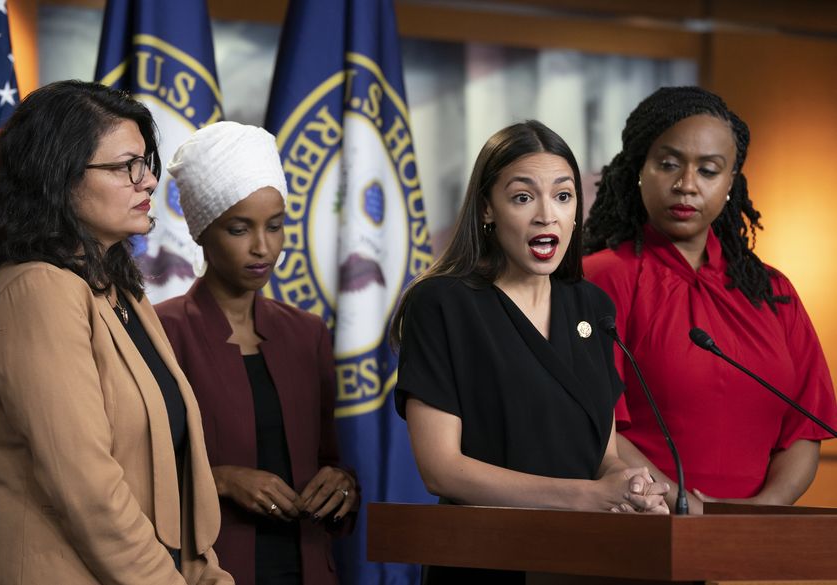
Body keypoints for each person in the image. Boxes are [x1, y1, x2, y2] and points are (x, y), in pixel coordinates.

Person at [0, 80, 232, 584]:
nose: (149, 181)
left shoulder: (117, 291)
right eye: (126, 166)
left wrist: (204, 573)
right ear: (57, 176)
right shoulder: (36, 291)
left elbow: (171, 474)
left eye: (146, 163)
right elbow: (89, 491)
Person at [390, 120, 668, 584]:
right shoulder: (443, 303)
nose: (547, 215)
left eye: (563, 196)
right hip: (485, 559)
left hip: (588, 561)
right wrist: (587, 496)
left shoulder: (592, 306)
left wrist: (629, 484)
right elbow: (442, 469)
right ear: (486, 209)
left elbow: (603, 454)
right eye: (523, 197)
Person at [583, 86, 837, 514]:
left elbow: (803, 431)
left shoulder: (774, 292)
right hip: (642, 528)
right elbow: (596, 427)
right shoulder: (601, 278)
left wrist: (758, 513)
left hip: (749, 545)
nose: (686, 185)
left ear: (731, 181)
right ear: (638, 170)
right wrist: (686, 510)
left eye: (709, 170)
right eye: (668, 165)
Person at [156, 122, 358, 585]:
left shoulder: (306, 334)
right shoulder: (162, 331)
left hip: (307, 566)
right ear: (202, 231)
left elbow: (329, 455)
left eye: (276, 226)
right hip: (212, 570)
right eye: (239, 228)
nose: (263, 247)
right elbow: (135, 470)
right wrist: (222, 480)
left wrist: (342, 485)